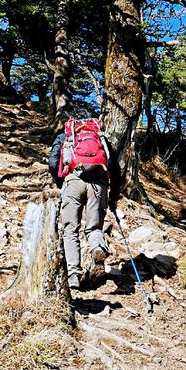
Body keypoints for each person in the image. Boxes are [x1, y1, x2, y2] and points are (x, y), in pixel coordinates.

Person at [48, 117, 121, 290]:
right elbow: (114, 167)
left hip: (74, 180)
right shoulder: (100, 137)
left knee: (70, 228)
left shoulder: (66, 136)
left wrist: (62, 182)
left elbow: (52, 162)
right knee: (94, 228)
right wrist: (114, 196)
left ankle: (73, 274)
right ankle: (97, 248)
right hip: (99, 184)